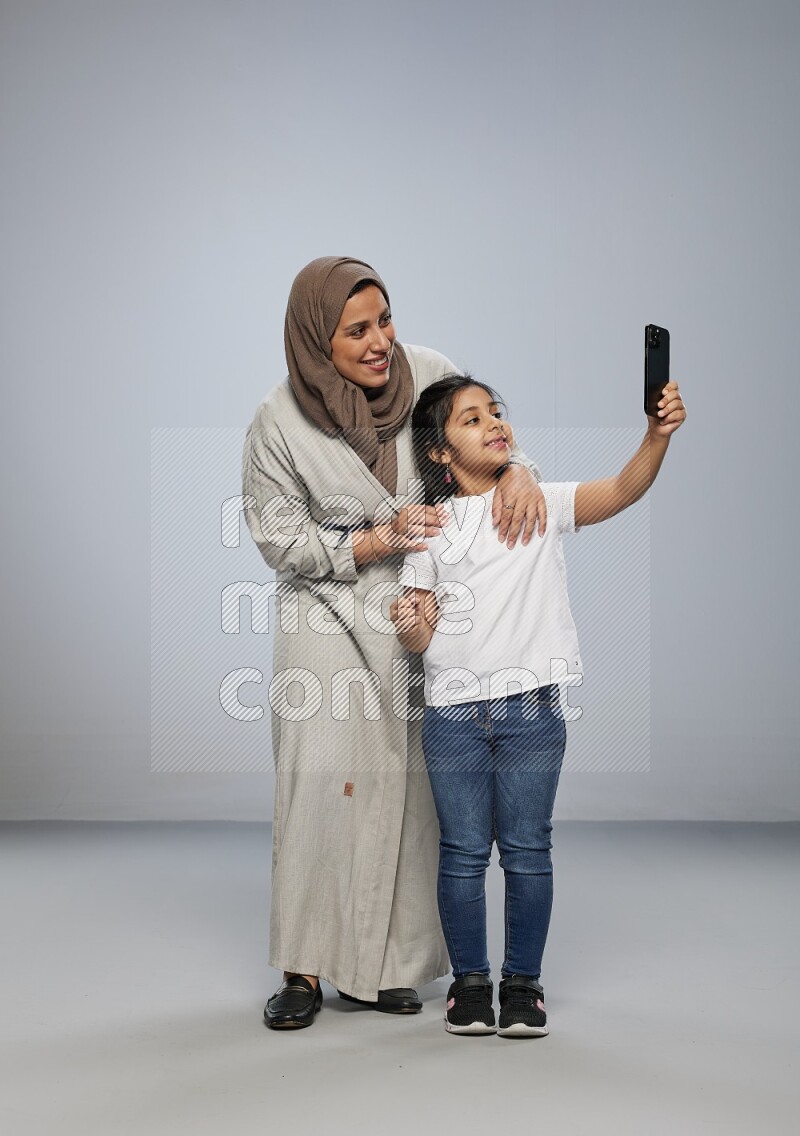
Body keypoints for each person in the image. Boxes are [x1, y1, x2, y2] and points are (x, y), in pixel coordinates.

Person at [241, 257, 548, 1030]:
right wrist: (373, 540)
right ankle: (304, 971)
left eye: (386, 320)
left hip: (426, 604)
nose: (381, 342)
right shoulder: (278, 422)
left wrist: (520, 475)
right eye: (357, 330)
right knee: (317, 782)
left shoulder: (432, 374)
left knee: (415, 789)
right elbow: (280, 541)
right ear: (318, 339)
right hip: (327, 604)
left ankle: (383, 970)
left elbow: (488, 443)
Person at [390, 371, 686, 1036]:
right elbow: (422, 629)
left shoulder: (538, 500)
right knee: (464, 853)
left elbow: (621, 490)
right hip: (454, 716)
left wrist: (656, 435)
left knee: (527, 849)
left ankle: (522, 983)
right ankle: (471, 984)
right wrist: (409, 622)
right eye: (471, 419)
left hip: (532, 712)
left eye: (495, 412)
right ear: (439, 451)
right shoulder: (432, 527)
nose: (494, 423)